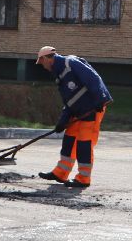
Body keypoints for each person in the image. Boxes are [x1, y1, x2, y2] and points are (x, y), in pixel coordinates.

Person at [35, 46, 112, 188]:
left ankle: (83, 179)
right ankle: (61, 173)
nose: (43, 66)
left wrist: (100, 100)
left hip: (92, 109)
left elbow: (93, 79)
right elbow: (69, 101)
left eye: (42, 63)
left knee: (84, 143)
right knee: (69, 140)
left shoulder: (70, 63)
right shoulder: (59, 75)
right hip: (78, 111)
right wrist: (62, 122)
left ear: (46, 58)